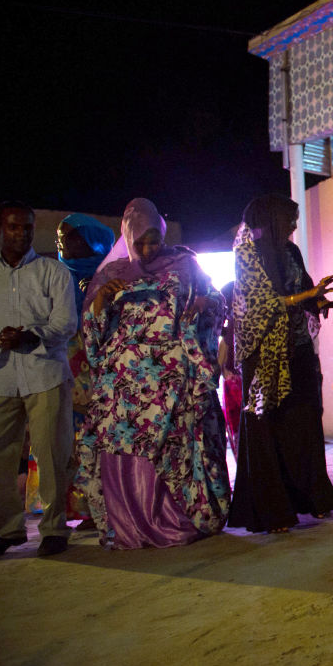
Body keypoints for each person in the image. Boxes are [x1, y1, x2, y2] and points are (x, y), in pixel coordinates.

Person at [76, 198, 230, 549]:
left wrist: (206, 304)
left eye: (153, 241)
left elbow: (218, 300)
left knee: (174, 443)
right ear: (127, 237)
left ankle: (176, 518)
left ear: (162, 234)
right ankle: (131, 523)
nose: (146, 250)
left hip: (174, 377)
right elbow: (92, 330)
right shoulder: (111, 274)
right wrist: (101, 303)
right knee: (123, 442)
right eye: (139, 242)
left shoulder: (185, 264)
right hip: (125, 383)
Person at [227, 194, 333, 534]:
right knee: (269, 426)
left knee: (305, 420)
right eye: (289, 219)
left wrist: (322, 298)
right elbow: (260, 304)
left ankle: (313, 498)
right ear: (273, 219)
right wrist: (304, 297)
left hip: (298, 347)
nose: (294, 225)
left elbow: (305, 287)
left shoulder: (291, 251)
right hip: (264, 355)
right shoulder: (247, 254)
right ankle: (273, 511)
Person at [0, 201, 77, 557]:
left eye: (26, 227)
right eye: (13, 227)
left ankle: (54, 529)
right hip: (1, 377)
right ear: (1, 229)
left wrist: (28, 336)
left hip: (45, 373)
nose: (20, 233)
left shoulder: (53, 272)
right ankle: (8, 530)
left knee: (50, 454)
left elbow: (66, 325)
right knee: (0, 457)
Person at [56, 213, 115, 525]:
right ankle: (79, 507)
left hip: (104, 371)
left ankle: (108, 505)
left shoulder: (113, 273)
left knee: (103, 437)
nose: (63, 242)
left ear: (93, 239)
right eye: (61, 236)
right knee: (71, 439)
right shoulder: (54, 275)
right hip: (62, 370)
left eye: (72, 236)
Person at [217, 281, 243, 458]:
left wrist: (225, 373)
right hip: (237, 383)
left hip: (234, 383)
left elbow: (220, 362)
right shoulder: (232, 326)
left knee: (238, 429)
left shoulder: (230, 327)